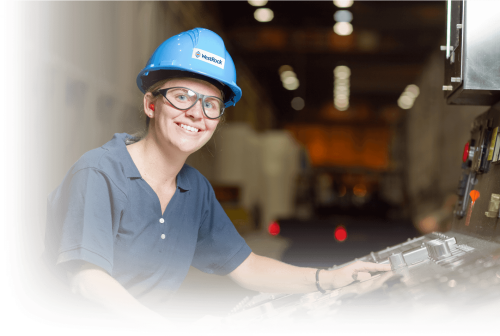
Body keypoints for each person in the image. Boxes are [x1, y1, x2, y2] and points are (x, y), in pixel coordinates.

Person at [42, 28, 391, 332]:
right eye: (181, 96)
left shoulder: (194, 189)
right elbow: (87, 281)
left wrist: (327, 278)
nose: (196, 112)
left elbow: (246, 266)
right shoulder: (100, 172)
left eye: (211, 103)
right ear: (151, 104)